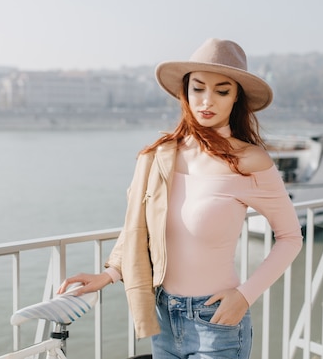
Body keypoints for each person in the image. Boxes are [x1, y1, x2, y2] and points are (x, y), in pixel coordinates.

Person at [58, 38, 303, 359]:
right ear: (185, 92)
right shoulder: (162, 155)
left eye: (222, 91)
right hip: (164, 313)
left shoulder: (250, 160)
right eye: (198, 88)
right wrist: (108, 274)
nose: (207, 100)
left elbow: (290, 237)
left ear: (236, 99)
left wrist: (245, 296)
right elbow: (140, 228)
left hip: (216, 319)